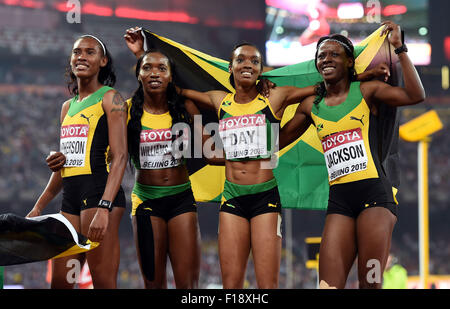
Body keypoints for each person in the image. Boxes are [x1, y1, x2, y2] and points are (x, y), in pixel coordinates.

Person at [124, 27, 382, 289]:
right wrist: (142, 55)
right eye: (240, 60)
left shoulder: (275, 96)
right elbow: (166, 86)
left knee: (267, 285)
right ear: (230, 68)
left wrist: (365, 75)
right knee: (231, 285)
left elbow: (323, 88)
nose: (247, 64)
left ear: (262, 70)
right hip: (232, 197)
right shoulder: (219, 100)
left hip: (265, 198)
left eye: (254, 61)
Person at [280, 21, 425, 289]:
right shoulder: (312, 106)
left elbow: (415, 95)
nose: (326, 59)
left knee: (369, 282)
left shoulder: (367, 91)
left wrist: (400, 49)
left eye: (334, 54)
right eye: (321, 55)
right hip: (340, 202)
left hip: (375, 198)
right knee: (326, 285)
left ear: (349, 61)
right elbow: (274, 143)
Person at [27, 35, 128, 289]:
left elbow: (121, 156)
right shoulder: (66, 107)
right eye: (76, 52)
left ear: (103, 61)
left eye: (90, 52)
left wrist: (104, 207)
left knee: (103, 281)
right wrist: (38, 207)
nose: (81, 56)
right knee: (61, 283)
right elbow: (65, 166)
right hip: (70, 200)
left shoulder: (111, 98)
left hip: (99, 195)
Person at [125, 47, 224, 288]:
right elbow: (109, 155)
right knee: (153, 284)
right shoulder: (125, 110)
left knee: (188, 285)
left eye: (162, 68)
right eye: (147, 68)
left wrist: (253, 154)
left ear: (171, 76)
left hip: (181, 200)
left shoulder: (185, 107)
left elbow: (211, 152)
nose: (155, 73)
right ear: (139, 74)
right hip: (146, 202)